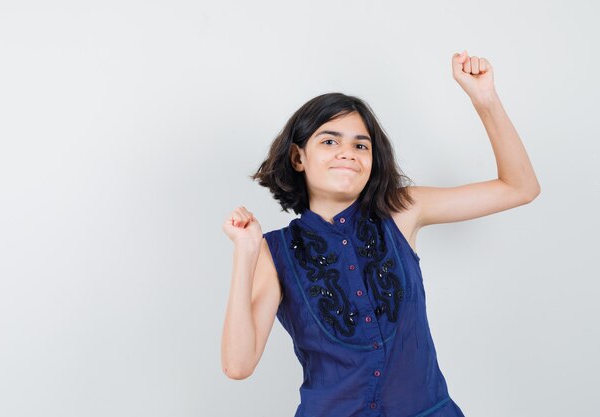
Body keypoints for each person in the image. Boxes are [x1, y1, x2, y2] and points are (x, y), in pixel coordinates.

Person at [220, 50, 540, 417]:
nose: (348, 153)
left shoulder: (402, 211)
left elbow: (520, 188)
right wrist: (244, 255)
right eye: (329, 141)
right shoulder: (274, 251)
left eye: (360, 144)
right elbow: (238, 365)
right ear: (298, 158)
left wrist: (485, 100)